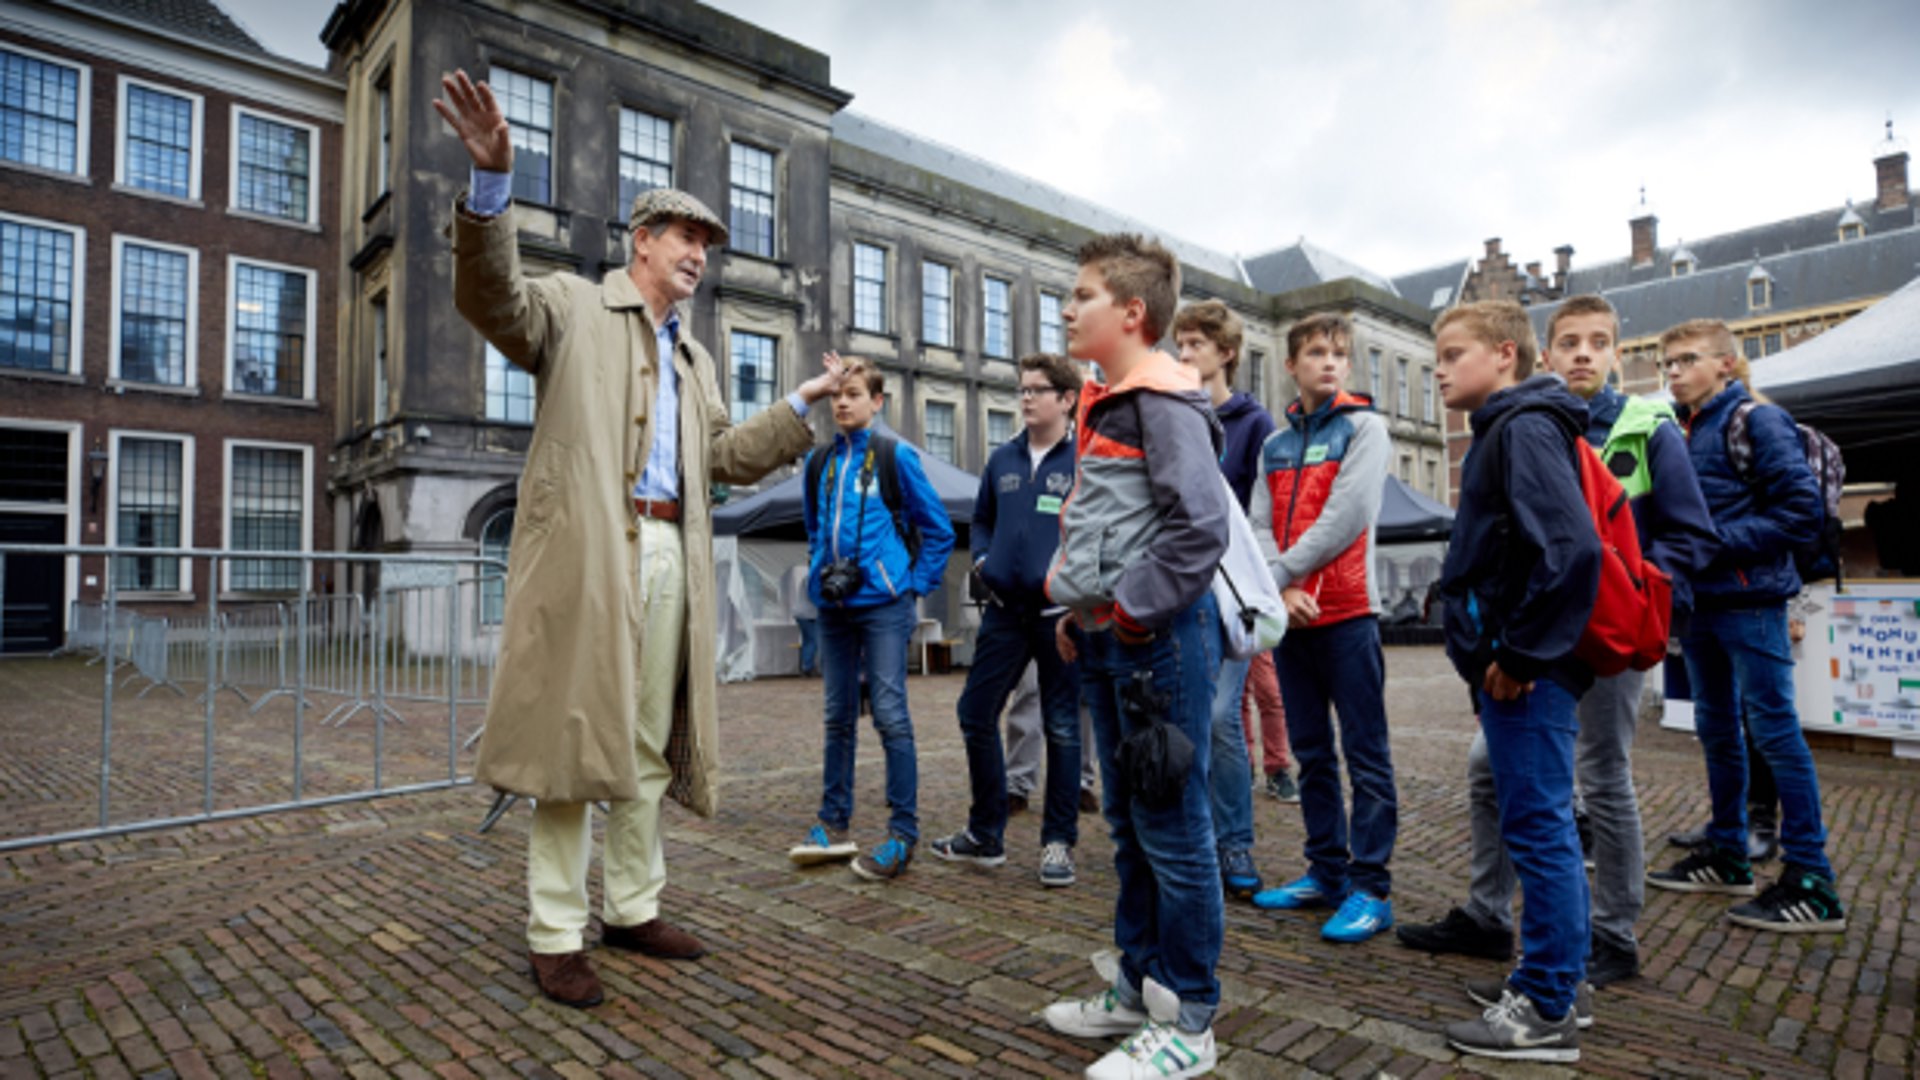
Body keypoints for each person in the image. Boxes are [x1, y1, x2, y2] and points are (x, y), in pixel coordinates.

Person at [436, 70, 844, 1009]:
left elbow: (723, 460)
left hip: (672, 556)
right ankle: (552, 931)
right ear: (642, 243)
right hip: (589, 559)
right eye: (686, 238)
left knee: (648, 744)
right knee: (571, 748)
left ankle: (631, 905)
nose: (701, 254)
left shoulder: (696, 356)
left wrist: (799, 405)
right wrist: (492, 185)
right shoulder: (575, 307)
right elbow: (492, 301)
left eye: (708, 242)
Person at [1396, 295, 1718, 988]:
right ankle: (1493, 916)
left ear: (1616, 355)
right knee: (1501, 777)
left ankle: (1603, 941)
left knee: (1597, 780)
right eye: (1570, 341)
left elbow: (1620, 544)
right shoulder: (1532, 423)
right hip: (1539, 633)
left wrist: (1636, 595)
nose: (1583, 353)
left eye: (1598, 342)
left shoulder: (1623, 425)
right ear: (1545, 352)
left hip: (1583, 632)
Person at [1039, 234, 1230, 1080]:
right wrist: (1086, 610)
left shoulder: (1161, 399)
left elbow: (1200, 526)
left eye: (1081, 295)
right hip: (1116, 637)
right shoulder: (1112, 398)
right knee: (1126, 825)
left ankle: (1189, 1018)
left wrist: (1135, 609)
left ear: (1131, 313)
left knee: (1173, 828)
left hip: (1156, 643)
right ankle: (1136, 984)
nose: (1067, 307)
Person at [1432, 300, 1601, 1063]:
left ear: (1505, 354)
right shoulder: (1517, 426)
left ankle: (1545, 1009)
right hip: (1519, 668)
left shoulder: (1524, 427)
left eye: (1452, 352)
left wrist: (1521, 656)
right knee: (1538, 821)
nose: (1438, 367)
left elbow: (1571, 552)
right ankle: (1558, 981)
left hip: (1525, 676)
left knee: (1539, 827)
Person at [1645, 321, 1846, 933]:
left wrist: (1706, 546)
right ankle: (1729, 853)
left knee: (1774, 733)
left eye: (1686, 360)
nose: (1673, 372)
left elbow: (1799, 514)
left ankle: (1812, 881)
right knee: (1716, 729)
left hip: (1750, 600)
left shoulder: (1756, 421)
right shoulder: (1683, 428)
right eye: (1667, 363)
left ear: (1727, 365)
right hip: (1701, 605)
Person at [1247, 313, 1397, 945]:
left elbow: (1347, 516)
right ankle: (1325, 872)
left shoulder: (1366, 428)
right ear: (1292, 365)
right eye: (1315, 353)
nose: (1329, 363)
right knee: (1310, 754)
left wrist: (1280, 575)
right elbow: (1256, 523)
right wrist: (1279, 589)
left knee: (1365, 755)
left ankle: (1371, 887)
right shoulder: (1274, 446)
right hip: (1292, 618)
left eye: (1339, 354)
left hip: (1350, 613)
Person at [784, 360, 955, 880]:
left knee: (889, 714)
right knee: (837, 715)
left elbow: (939, 530)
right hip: (833, 608)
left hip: (884, 606)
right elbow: (815, 531)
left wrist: (908, 585)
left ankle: (903, 832)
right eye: (836, 395)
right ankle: (833, 823)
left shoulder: (895, 456)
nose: (841, 403)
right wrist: (820, 570)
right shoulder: (819, 463)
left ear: (876, 402)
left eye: (854, 394)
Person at [930, 353, 1084, 885]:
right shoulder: (1003, 459)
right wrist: (981, 563)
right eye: (1021, 389)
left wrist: (1074, 585)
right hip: (1004, 613)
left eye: (1037, 390)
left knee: (1063, 726)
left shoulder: (1084, 458)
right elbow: (982, 519)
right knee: (976, 711)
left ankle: (1058, 844)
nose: (1025, 398)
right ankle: (985, 834)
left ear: (1066, 399)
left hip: (1060, 615)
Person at [1172, 299, 1277, 901]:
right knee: (1187, 716)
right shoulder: (1173, 413)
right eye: (1180, 344)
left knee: (1220, 716)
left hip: (1229, 589)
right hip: (1180, 585)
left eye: (1195, 344)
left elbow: (1259, 514)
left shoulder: (1252, 424)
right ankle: (1193, 836)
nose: (1184, 354)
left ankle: (1235, 839)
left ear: (1226, 353)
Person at [1244, 652, 1295, 802]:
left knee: (1270, 693)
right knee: (1237, 698)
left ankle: (1276, 768)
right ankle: (1244, 766)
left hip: (1259, 632)